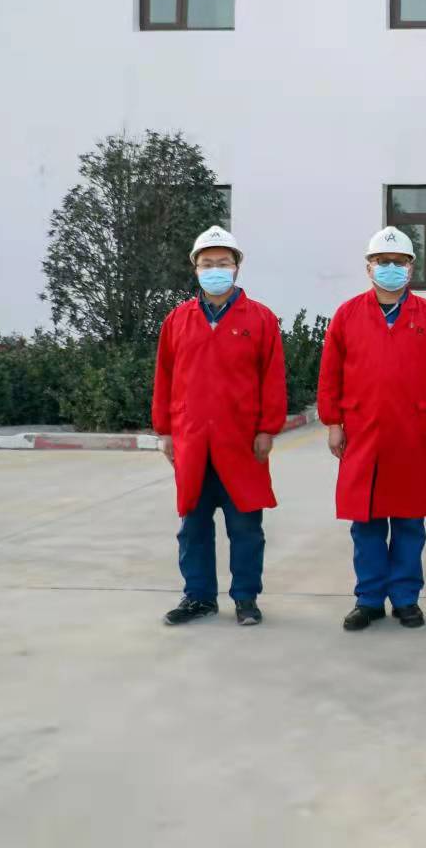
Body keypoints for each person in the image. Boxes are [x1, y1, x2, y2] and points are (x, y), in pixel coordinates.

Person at [318, 227, 426, 632]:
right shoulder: (347, 314)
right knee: (367, 523)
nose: (391, 268)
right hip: (362, 434)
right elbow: (330, 374)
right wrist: (333, 423)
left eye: (399, 262)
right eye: (383, 262)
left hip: (413, 435)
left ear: (411, 268)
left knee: (410, 522)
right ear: (369, 267)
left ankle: (406, 598)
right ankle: (368, 599)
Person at [153, 226, 288, 627]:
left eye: (223, 263)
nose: (216, 270)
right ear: (195, 268)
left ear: (237, 267)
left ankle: (246, 598)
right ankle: (198, 597)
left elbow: (273, 378)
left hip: (241, 442)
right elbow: (164, 377)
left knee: (246, 526)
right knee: (193, 526)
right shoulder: (178, 320)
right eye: (207, 263)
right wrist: (165, 431)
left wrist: (267, 429)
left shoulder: (260, 319)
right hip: (192, 440)